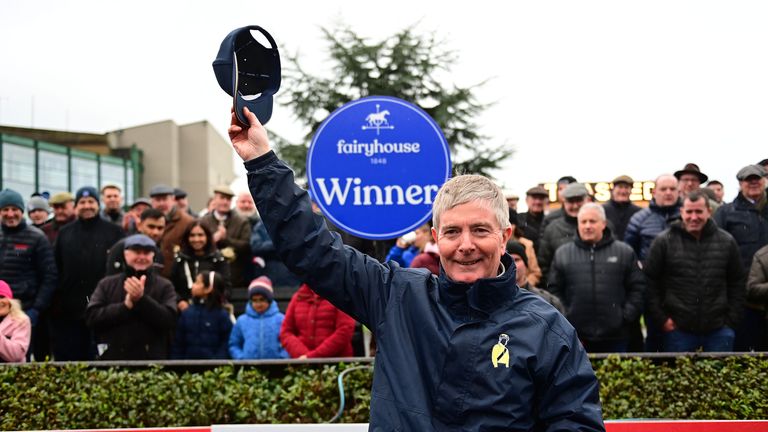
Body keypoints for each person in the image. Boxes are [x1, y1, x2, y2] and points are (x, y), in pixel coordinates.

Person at [229, 106, 603, 430]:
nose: (466, 245)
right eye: (453, 232)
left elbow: (576, 421)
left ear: (504, 237)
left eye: (480, 230)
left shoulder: (546, 327)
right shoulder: (396, 295)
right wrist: (261, 160)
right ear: (437, 237)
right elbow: (312, 248)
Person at [645, 191, 745, 352]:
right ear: (681, 212)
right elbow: (650, 283)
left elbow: (737, 282)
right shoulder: (664, 241)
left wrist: (730, 321)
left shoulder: (726, 241)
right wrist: (663, 320)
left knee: (720, 377)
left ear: (709, 212)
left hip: (719, 330)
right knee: (681, 377)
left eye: (699, 211)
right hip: (678, 331)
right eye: (689, 212)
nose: (694, 217)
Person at [547, 204, 645, 353]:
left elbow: (638, 288)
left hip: (616, 337)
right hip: (576, 336)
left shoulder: (624, 252)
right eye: (583, 222)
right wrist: (567, 316)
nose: (587, 226)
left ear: (603, 224)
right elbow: (554, 289)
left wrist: (624, 317)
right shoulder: (563, 253)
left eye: (592, 221)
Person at [51, 186, 124, 360]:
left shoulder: (114, 232)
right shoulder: (65, 233)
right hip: (71, 308)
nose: (87, 206)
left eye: (91, 201)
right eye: (82, 202)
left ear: (98, 205)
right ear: (76, 206)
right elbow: (56, 267)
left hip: (103, 306)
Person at [85, 234, 177, 360]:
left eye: (146, 253)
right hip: (114, 359)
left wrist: (142, 300)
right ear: (125, 254)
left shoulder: (164, 285)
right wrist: (125, 307)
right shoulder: (107, 284)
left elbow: (169, 320)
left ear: (153, 256)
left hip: (151, 360)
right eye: (137, 252)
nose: (141, 257)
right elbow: (92, 317)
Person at [713, 164, 768, 351]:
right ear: (740, 184)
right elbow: (717, 252)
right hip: (742, 298)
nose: (753, 183)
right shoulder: (725, 213)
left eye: (757, 179)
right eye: (748, 180)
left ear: (764, 181)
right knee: (745, 352)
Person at [0, 189, 57, 361]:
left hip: (26, 311)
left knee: (23, 361)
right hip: (1, 309)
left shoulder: (37, 238)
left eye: (14, 209)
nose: (10, 214)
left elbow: (49, 276)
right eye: (5, 209)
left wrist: (36, 310)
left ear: (21, 211)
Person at [280, 283, 356, 359]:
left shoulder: (340, 296)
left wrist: (312, 357)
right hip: (302, 363)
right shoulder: (298, 297)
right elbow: (286, 332)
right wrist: (302, 355)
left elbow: (345, 329)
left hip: (336, 364)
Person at [170, 221, 232, 312]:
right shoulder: (180, 260)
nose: (196, 239)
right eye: (192, 235)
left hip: (212, 310)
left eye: (200, 235)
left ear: (207, 237)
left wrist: (212, 302)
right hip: (184, 310)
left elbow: (226, 288)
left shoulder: (218, 260)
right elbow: (172, 286)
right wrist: (180, 301)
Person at [171, 270, 232, 359]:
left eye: (197, 282)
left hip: (214, 368)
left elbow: (226, 343)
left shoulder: (222, 315)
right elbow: (178, 343)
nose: (193, 285)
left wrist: (217, 362)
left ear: (208, 288)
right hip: (188, 367)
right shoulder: (187, 313)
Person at [537, 182, 590, 285]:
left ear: (586, 200)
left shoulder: (600, 224)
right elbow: (544, 265)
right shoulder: (552, 229)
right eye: (570, 201)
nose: (575, 206)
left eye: (578, 200)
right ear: (564, 202)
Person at [200, 185, 252, 289]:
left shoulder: (241, 221)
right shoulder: (203, 221)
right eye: (222, 198)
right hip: (209, 275)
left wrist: (226, 239)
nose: (225, 202)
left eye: (228, 199)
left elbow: (247, 246)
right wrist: (212, 240)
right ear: (215, 199)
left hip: (235, 276)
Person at [229, 276, 288, 360]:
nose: (258, 304)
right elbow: (234, 344)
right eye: (254, 300)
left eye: (262, 300)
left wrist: (282, 358)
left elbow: (288, 342)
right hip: (249, 368)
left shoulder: (281, 319)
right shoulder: (242, 321)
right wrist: (241, 358)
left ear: (269, 300)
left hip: (276, 367)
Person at [151, 184, 196, 279]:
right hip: (152, 276)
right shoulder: (146, 220)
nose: (161, 204)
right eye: (158, 200)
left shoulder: (187, 222)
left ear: (173, 200)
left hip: (178, 277)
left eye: (165, 199)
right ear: (152, 202)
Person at [505, 240, 564, 313]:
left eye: (517, 260)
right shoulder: (494, 303)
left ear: (526, 265)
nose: (513, 265)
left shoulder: (548, 302)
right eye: (507, 260)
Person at [106, 208, 166, 276]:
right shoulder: (121, 247)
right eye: (151, 227)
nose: (156, 232)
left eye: (160, 228)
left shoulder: (160, 251)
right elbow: (111, 281)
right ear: (139, 225)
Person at [0, 280, 32, 363]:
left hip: (11, 373)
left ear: (10, 300)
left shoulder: (21, 321)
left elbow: (17, 355)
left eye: (2, 297)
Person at [602, 175, 641, 241]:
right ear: (613, 190)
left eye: (626, 188)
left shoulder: (638, 212)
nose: (623, 191)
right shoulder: (602, 210)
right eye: (620, 187)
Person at [517, 185, 549, 251]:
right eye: (534, 198)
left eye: (541, 199)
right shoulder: (518, 219)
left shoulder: (550, 221)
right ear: (526, 200)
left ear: (546, 201)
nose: (538, 202)